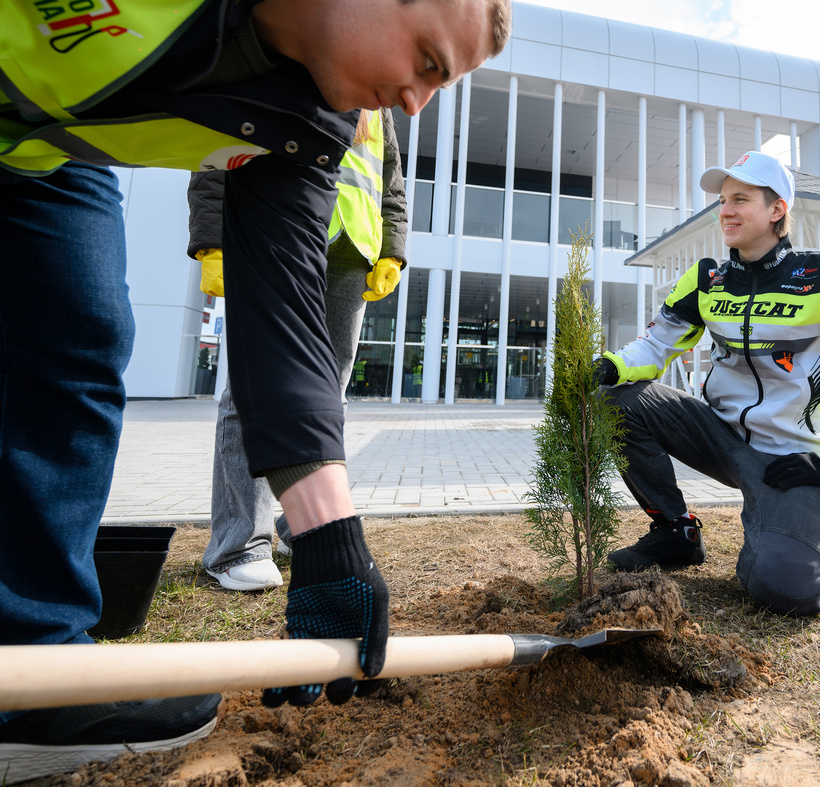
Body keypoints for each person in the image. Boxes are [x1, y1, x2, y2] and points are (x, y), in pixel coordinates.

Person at [0, 0, 509, 782]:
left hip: (42, 158)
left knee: (79, 334)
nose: (416, 103)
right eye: (428, 63)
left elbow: (283, 313)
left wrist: (329, 542)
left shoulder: (308, 117)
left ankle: (31, 669)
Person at [592, 151, 820, 617]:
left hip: (793, 459)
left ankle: (772, 541)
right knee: (615, 400)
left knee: (787, 591)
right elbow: (655, 346)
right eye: (723, 200)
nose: (724, 210)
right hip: (719, 437)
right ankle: (675, 532)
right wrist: (610, 366)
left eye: (740, 199)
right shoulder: (707, 279)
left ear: (777, 210)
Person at [189, 108, 408, 592]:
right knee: (255, 387)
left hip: (353, 242)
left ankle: (305, 525)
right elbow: (219, 135)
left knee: (329, 395)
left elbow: (389, 172)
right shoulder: (291, 56)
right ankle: (238, 544)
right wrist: (212, 237)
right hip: (279, 228)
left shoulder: (381, 96)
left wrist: (393, 245)